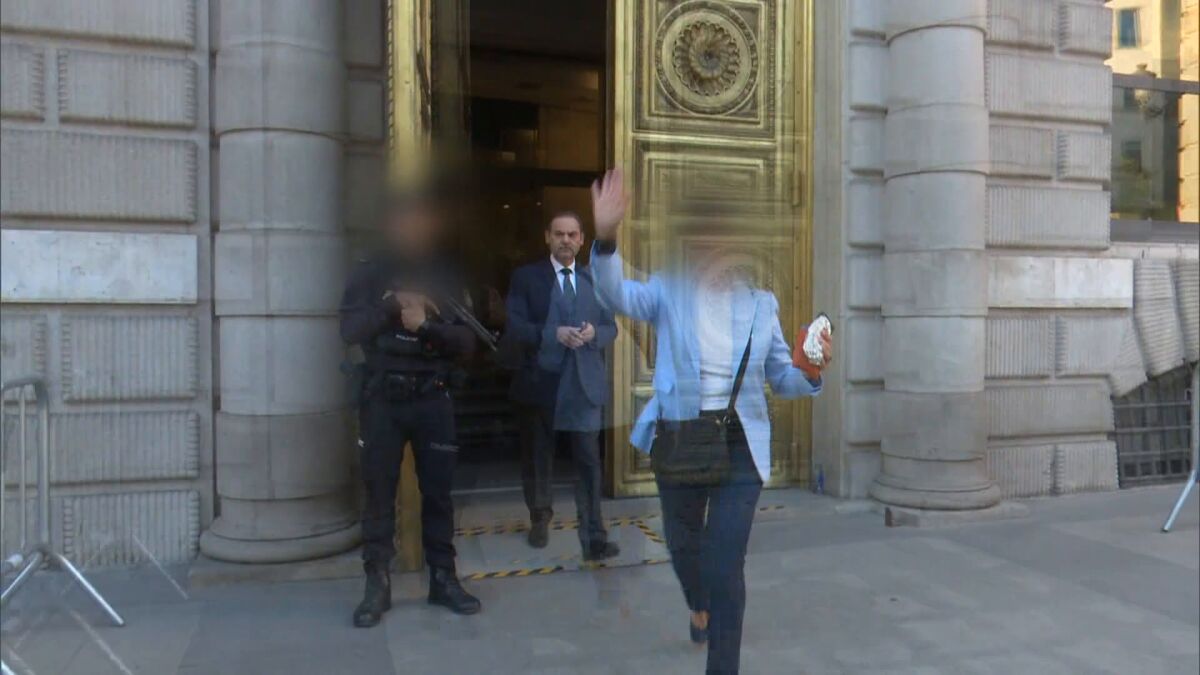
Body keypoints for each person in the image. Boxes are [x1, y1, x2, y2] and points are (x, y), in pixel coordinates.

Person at [587, 169, 832, 674]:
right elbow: (616, 296)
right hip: (681, 436)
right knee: (682, 545)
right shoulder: (668, 289)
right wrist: (606, 238)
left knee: (725, 561)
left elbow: (780, 377)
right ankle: (698, 602)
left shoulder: (761, 304)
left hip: (740, 443)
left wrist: (810, 371)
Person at [339, 186, 483, 627]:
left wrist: (425, 326)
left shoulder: (445, 275)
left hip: (432, 398)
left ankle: (443, 578)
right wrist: (391, 307)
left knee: (438, 494)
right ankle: (377, 585)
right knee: (378, 494)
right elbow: (349, 330)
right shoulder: (369, 271)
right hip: (382, 401)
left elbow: (468, 342)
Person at [505, 212, 620, 560]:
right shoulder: (527, 278)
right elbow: (515, 327)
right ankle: (540, 519)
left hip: (583, 386)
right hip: (541, 381)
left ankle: (594, 533)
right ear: (548, 237)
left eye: (572, 234)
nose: (565, 240)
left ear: (582, 240)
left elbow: (611, 327)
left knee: (588, 461)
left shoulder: (593, 280)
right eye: (559, 234)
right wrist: (552, 333)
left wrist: (594, 333)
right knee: (539, 456)